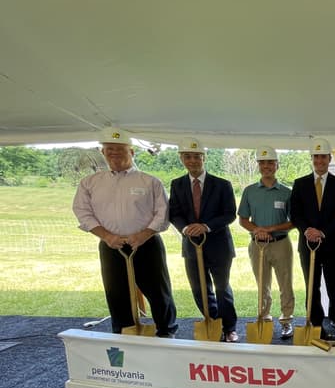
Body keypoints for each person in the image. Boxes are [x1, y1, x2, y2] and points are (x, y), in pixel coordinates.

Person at [72, 127, 178, 337]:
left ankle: (166, 331)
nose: (114, 153)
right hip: (112, 245)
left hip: (146, 244)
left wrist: (144, 234)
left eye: (120, 149)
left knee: (158, 291)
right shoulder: (90, 183)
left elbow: (162, 212)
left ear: (131, 152)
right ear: (102, 152)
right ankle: (124, 332)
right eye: (109, 149)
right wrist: (106, 236)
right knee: (116, 292)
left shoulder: (150, 181)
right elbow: (82, 211)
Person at [169, 138, 239, 342]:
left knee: (222, 288)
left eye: (196, 156)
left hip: (219, 246)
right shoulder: (177, 184)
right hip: (192, 245)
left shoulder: (222, 184)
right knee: (199, 288)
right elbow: (174, 213)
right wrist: (185, 229)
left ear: (204, 158)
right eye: (187, 157)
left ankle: (229, 327)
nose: (192, 161)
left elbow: (229, 214)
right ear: (182, 159)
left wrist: (206, 226)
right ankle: (213, 322)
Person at [289, 138, 335, 335]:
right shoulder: (300, 184)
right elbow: (295, 213)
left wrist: (322, 232)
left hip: (332, 243)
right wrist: (307, 230)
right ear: (312, 159)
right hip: (308, 243)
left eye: (323, 157)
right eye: (316, 157)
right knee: (312, 284)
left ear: (330, 159)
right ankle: (315, 320)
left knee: (333, 284)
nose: (319, 161)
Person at [237, 146, 295, 339]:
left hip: (280, 243)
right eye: (262, 163)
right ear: (258, 165)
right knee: (262, 284)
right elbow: (243, 219)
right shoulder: (250, 191)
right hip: (257, 245)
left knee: (285, 283)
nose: (266, 166)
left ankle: (286, 320)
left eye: (270, 162)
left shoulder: (286, 192)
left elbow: (293, 221)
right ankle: (264, 318)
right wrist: (257, 230)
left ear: (277, 165)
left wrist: (270, 229)